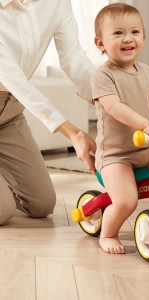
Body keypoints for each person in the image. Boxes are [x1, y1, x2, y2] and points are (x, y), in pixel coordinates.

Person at [91, 3, 149, 254]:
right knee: (126, 200)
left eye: (135, 32)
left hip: (143, 149)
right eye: (118, 33)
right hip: (115, 155)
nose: (128, 39)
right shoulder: (103, 76)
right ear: (100, 43)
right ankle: (108, 234)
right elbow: (115, 108)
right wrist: (146, 124)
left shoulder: (146, 71)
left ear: (143, 37)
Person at [0, 0, 97, 225]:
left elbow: (73, 58)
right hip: (14, 89)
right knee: (2, 211)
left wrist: (110, 102)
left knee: (42, 204)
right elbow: (15, 80)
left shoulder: (56, 2)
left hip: (9, 114)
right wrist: (72, 132)